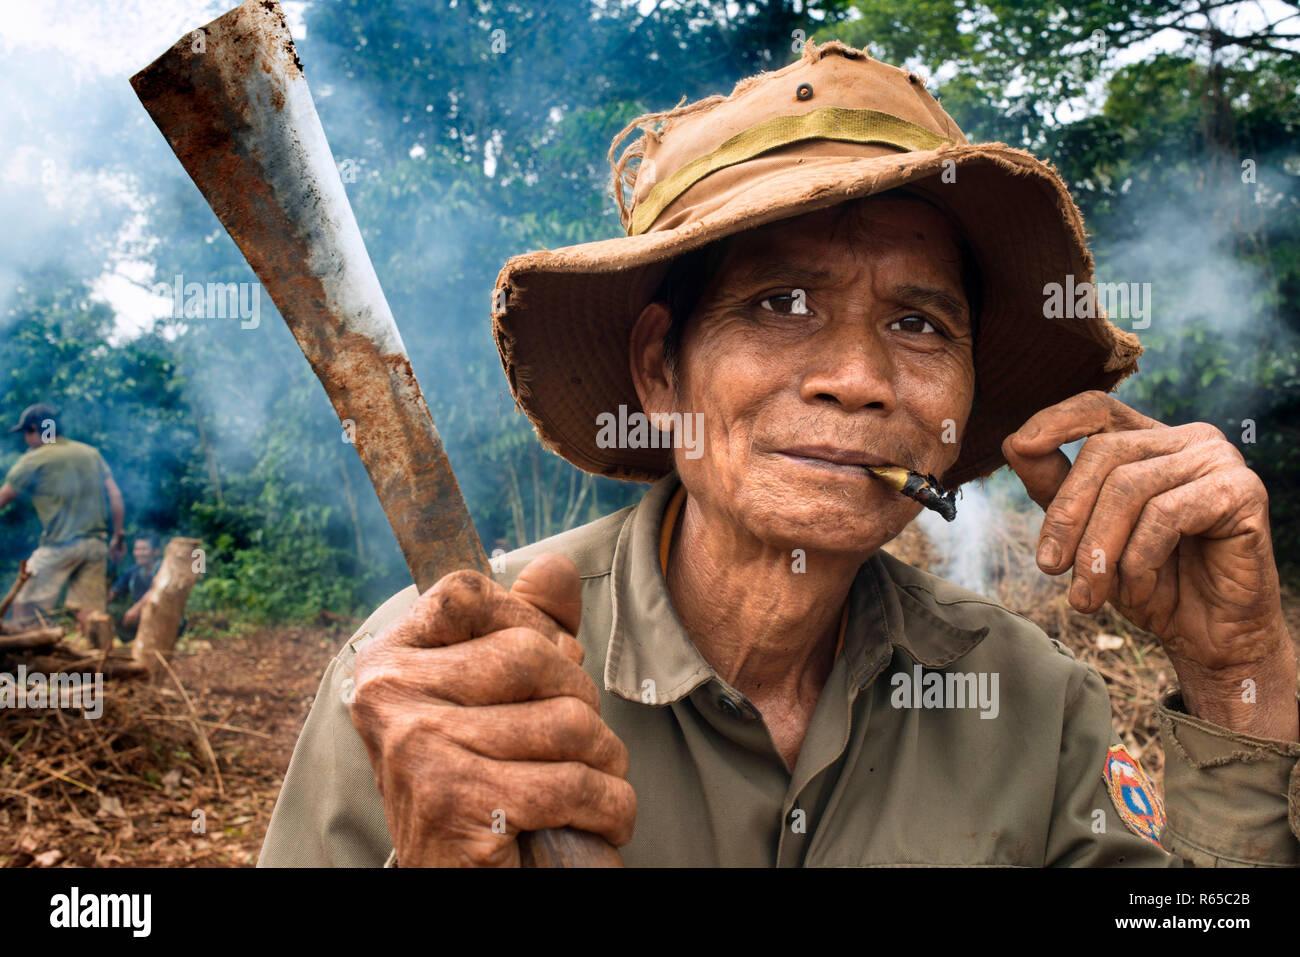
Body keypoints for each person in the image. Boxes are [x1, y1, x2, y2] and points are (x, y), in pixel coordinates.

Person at [259, 40, 1299, 867]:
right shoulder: (442, 678)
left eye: (919, 326)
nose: (857, 377)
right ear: (661, 370)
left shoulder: (1027, 698)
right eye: (781, 305)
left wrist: (1236, 671)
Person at [0, 403, 125, 636]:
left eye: (27, 433)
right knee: (90, 614)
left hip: (60, 545)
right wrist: (118, 536)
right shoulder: (90, 453)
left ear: (37, 430)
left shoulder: (35, 459)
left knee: (24, 603)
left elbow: (4, 497)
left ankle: (28, 661)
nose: (26, 439)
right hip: (96, 544)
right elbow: (115, 495)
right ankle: (97, 666)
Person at [108, 534, 161, 642]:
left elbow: (156, 590)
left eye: (144, 549)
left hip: (159, 615)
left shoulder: (164, 569)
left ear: (156, 551)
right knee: (110, 610)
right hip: (138, 617)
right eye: (136, 549)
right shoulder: (133, 571)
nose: (138, 553)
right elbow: (113, 591)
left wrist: (137, 608)